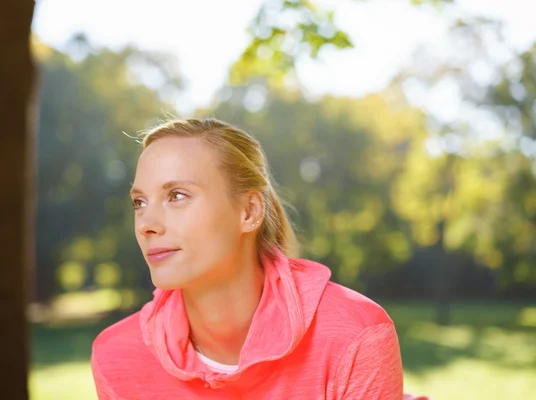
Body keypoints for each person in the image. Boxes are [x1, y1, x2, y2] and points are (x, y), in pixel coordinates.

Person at [91, 118, 405, 399]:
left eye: (177, 196)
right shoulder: (116, 358)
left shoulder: (355, 337)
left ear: (249, 211)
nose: (146, 224)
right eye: (139, 202)